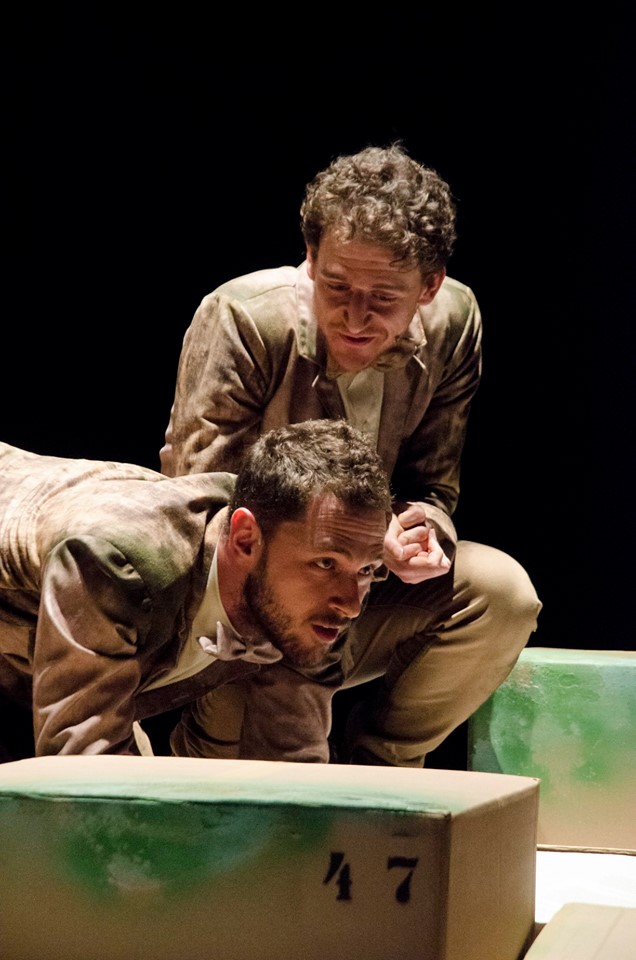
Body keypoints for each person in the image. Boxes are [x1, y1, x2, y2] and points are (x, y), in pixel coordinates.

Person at [160, 142, 543, 767]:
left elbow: (433, 483)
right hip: (252, 596)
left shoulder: (455, 322)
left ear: (430, 286)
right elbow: (197, 503)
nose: (355, 317)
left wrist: (417, 533)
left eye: (384, 297)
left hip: (363, 582)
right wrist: (335, 544)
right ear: (310, 258)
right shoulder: (244, 319)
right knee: (241, 782)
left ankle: (381, 773)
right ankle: (208, 753)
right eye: (336, 285)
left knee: (502, 595)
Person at [0, 419, 391, 761]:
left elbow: (293, 766)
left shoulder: (313, 596)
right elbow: (81, 776)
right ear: (245, 539)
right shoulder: (117, 564)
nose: (352, 605)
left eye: (367, 569)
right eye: (326, 563)